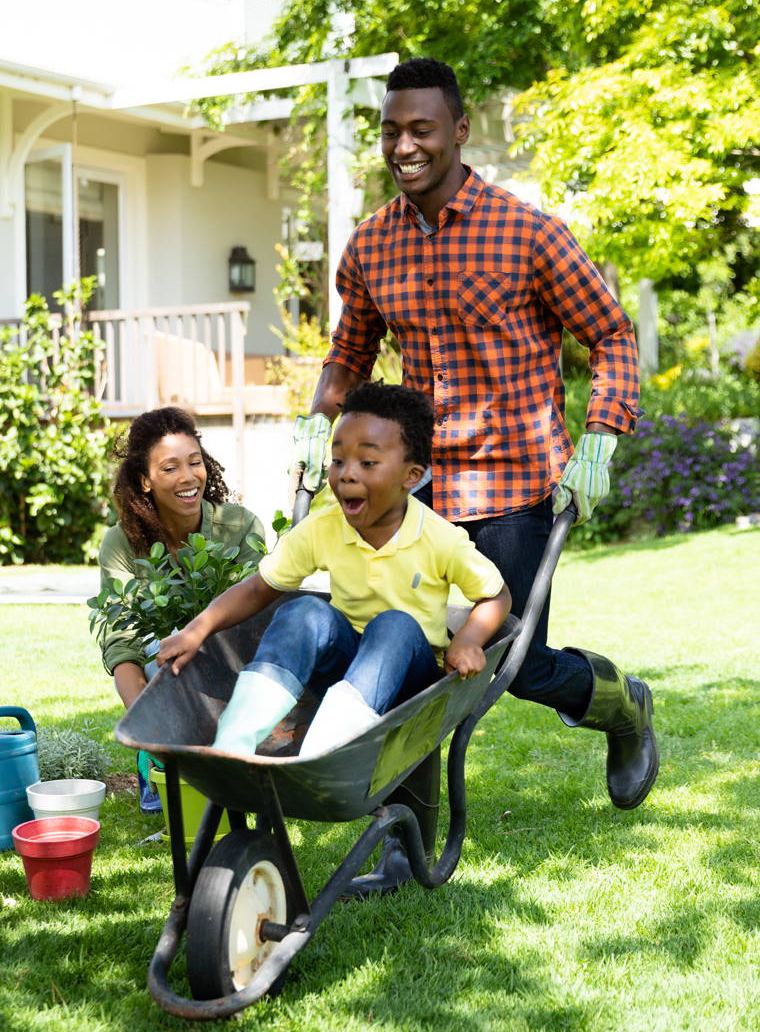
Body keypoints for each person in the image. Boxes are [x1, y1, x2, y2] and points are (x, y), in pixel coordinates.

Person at [290, 57, 658, 897]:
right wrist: (323, 419)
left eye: (421, 129)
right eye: (391, 130)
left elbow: (611, 334)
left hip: (519, 484)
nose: (404, 145)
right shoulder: (373, 243)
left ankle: (623, 705)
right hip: (419, 493)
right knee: (408, 654)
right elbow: (350, 350)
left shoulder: (528, 232)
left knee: (509, 663)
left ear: (459, 131)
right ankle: (402, 839)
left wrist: (600, 434)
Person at [158, 382, 511, 762]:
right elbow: (258, 589)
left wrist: (469, 638)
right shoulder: (323, 528)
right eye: (338, 460)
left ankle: (325, 751)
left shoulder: (440, 539)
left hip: (412, 681)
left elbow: (496, 595)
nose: (346, 474)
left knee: (394, 625)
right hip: (345, 673)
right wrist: (197, 629)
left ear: (411, 476)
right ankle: (234, 741)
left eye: (367, 463)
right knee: (302, 611)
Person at [99, 406, 265, 811]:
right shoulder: (120, 544)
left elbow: (255, 623)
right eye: (170, 468)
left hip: (233, 668)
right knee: (161, 649)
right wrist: (148, 727)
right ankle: (154, 766)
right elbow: (122, 642)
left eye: (195, 462)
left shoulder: (241, 527)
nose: (189, 477)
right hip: (164, 678)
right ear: (144, 481)